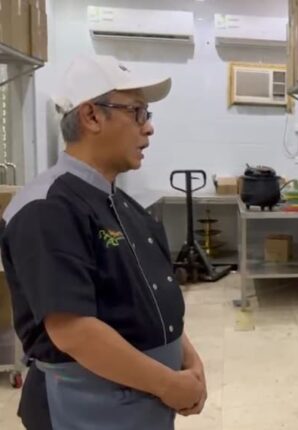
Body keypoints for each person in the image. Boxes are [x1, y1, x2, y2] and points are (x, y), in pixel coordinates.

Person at [0, 55, 207, 430]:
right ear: (92, 116)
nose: (149, 128)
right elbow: (74, 331)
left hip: (140, 402)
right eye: (138, 112)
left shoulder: (122, 205)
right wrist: (168, 384)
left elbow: (151, 299)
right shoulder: (48, 208)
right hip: (83, 409)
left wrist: (189, 361)